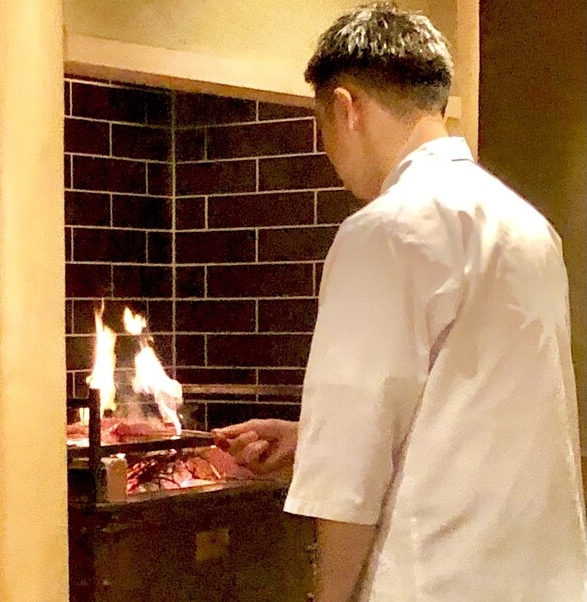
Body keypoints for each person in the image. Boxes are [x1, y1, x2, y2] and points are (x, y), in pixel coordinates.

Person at [212, 3, 587, 600]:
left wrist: (328, 597)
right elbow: (475, 409)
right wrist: (310, 435)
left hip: (433, 580)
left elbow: (350, 470)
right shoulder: (530, 227)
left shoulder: (382, 232)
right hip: (544, 577)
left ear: (346, 109)